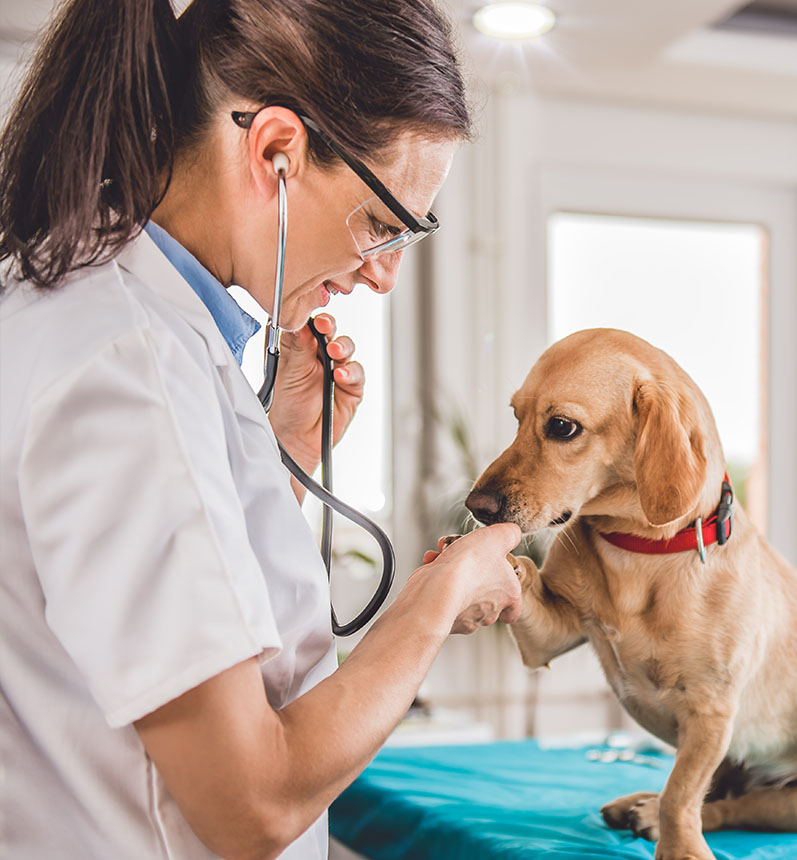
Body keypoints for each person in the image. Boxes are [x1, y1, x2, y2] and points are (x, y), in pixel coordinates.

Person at [0, 1, 522, 858]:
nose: (384, 276)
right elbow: (249, 802)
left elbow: (152, 603)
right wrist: (437, 600)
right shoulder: (128, 370)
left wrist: (283, 455)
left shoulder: (93, 316)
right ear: (276, 150)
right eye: (381, 225)